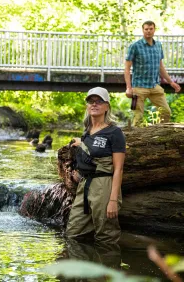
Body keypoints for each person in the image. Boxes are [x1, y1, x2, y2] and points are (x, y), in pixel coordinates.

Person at [66, 87, 126, 244]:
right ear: (87, 106)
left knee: (106, 236)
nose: (94, 104)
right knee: (72, 234)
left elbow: (118, 168)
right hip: (85, 185)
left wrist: (113, 200)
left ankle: (108, 265)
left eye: (99, 101)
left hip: (104, 186)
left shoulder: (114, 132)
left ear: (107, 106)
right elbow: (87, 156)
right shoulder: (87, 131)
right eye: (91, 101)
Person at [125, 20, 181, 126]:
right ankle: (136, 141)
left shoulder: (158, 45)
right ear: (143, 30)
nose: (148, 31)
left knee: (166, 112)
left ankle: (159, 136)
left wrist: (171, 82)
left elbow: (161, 66)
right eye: (146, 29)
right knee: (138, 118)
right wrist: (128, 87)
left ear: (154, 30)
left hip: (155, 86)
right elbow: (127, 68)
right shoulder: (135, 46)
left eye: (151, 29)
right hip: (139, 87)